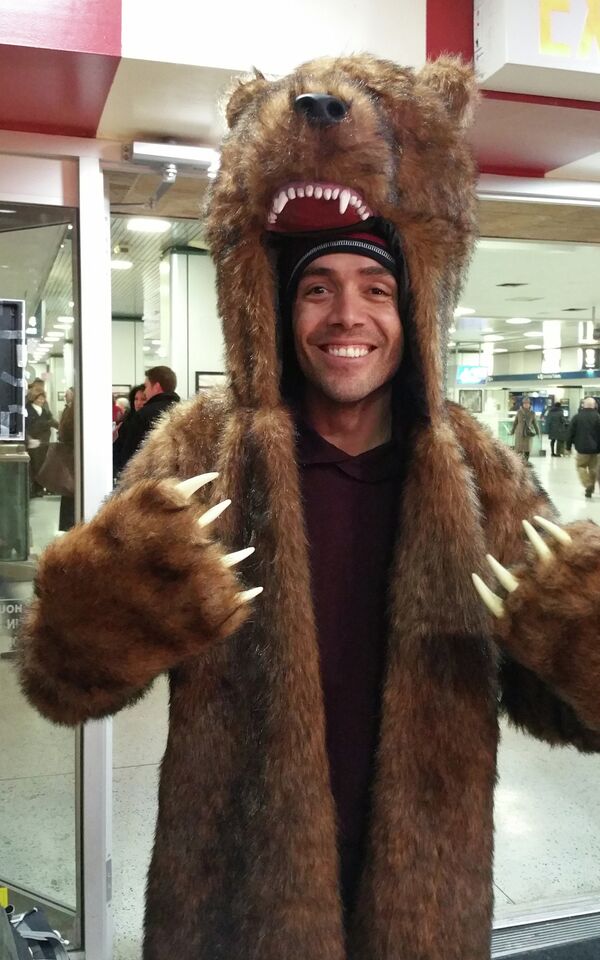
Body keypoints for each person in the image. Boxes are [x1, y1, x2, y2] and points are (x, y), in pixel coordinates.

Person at [16, 56, 600, 960]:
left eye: (377, 290)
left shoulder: (475, 471)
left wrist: (582, 638)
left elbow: (561, 706)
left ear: (414, 311)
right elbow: (60, 681)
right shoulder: (201, 450)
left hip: (424, 898)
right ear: (279, 309)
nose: (347, 316)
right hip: (235, 901)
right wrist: (110, 602)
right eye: (317, 287)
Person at [116, 367, 179, 471]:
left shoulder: (144, 415)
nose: (145, 391)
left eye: (146, 386)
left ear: (156, 387)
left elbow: (128, 456)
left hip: (146, 477)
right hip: (174, 478)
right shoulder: (183, 411)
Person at [25, 386, 58, 496]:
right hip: (33, 443)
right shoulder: (27, 410)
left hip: (43, 443)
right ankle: (35, 489)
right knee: (35, 466)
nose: (41, 400)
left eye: (43, 398)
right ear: (33, 398)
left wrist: (60, 428)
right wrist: (29, 439)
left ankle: (41, 488)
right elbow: (26, 427)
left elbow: (53, 422)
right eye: (39, 398)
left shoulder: (45, 411)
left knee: (43, 466)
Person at [565, 395, 600, 498]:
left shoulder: (577, 417)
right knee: (593, 468)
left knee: (580, 466)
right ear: (594, 406)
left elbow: (570, 433)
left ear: (583, 405)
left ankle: (588, 484)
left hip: (581, 448)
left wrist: (568, 447)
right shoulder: (598, 417)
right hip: (596, 449)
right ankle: (591, 489)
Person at [112, 385, 146, 477]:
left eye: (143, 399)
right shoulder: (127, 420)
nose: (138, 403)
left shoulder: (144, 421)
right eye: (136, 399)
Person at [509, 396, 540, 462]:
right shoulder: (519, 412)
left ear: (530, 404)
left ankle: (526, 461)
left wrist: (538, 432)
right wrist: (512, 431)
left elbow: (535, 423)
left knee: (527, 449)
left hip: (528, 433)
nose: (526, 404)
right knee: (518, 449)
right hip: (519, 433)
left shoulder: (532, 413)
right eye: (525, 403)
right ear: (522, 404)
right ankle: (519, 463)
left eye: (527, 403)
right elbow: (515, 422)